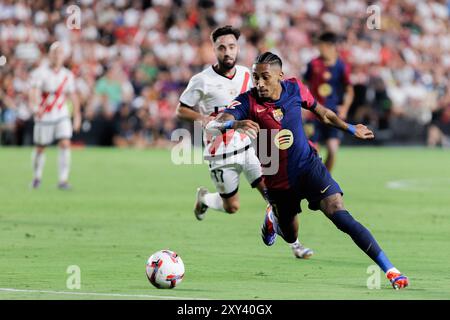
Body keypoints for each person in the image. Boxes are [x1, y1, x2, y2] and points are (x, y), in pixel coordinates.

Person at [207, 52, 408, 289]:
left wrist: (351, 128)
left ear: (280, 76)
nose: (259, 83)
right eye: (255, 77)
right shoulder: (247, 101)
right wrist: (234, 123)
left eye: (265, 77)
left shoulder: (294, 88)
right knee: (290, 235)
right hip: (277, 179)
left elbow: (323, 113)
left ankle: (391, 270)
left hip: (308, 167)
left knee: (339, 213)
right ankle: (274, 216)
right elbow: (213, 123)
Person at [176, 26, 313, 259]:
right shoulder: (201, 80)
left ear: (237, 48)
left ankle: (296, 244)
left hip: (251, 146)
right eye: (222, 47)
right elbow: (181, 109)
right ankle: (206, 199)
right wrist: (204, 118)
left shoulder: (249, 75)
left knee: (273, 195)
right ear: (214, 50)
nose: (227, 52)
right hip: (220, 150)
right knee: (232, 207)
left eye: (231, 47)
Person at [28, 42, 81, 190]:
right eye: (55, 53)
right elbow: (33, 92)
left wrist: (77, 115)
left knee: (65, 143)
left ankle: (63, 180)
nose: (57, 56)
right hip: (44, 115)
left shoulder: (67, 75)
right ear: (49, 55)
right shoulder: (40, 72)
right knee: (41, 147)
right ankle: (37, 177)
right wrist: (35, 107)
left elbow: (73, 95)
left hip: (61, 113)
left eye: (60, 53)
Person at [303, 32, 354, 172]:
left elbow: (349, 90)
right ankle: (313, 179)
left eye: (321, 45)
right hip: (313, 113)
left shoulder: (342, 66)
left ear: (330, 46)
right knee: (312, 151)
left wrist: (345, 108)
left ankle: (324, 179)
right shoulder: (313, 64)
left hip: (333, 114)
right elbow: (303, 85)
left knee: (332, 150)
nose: (319, 48)